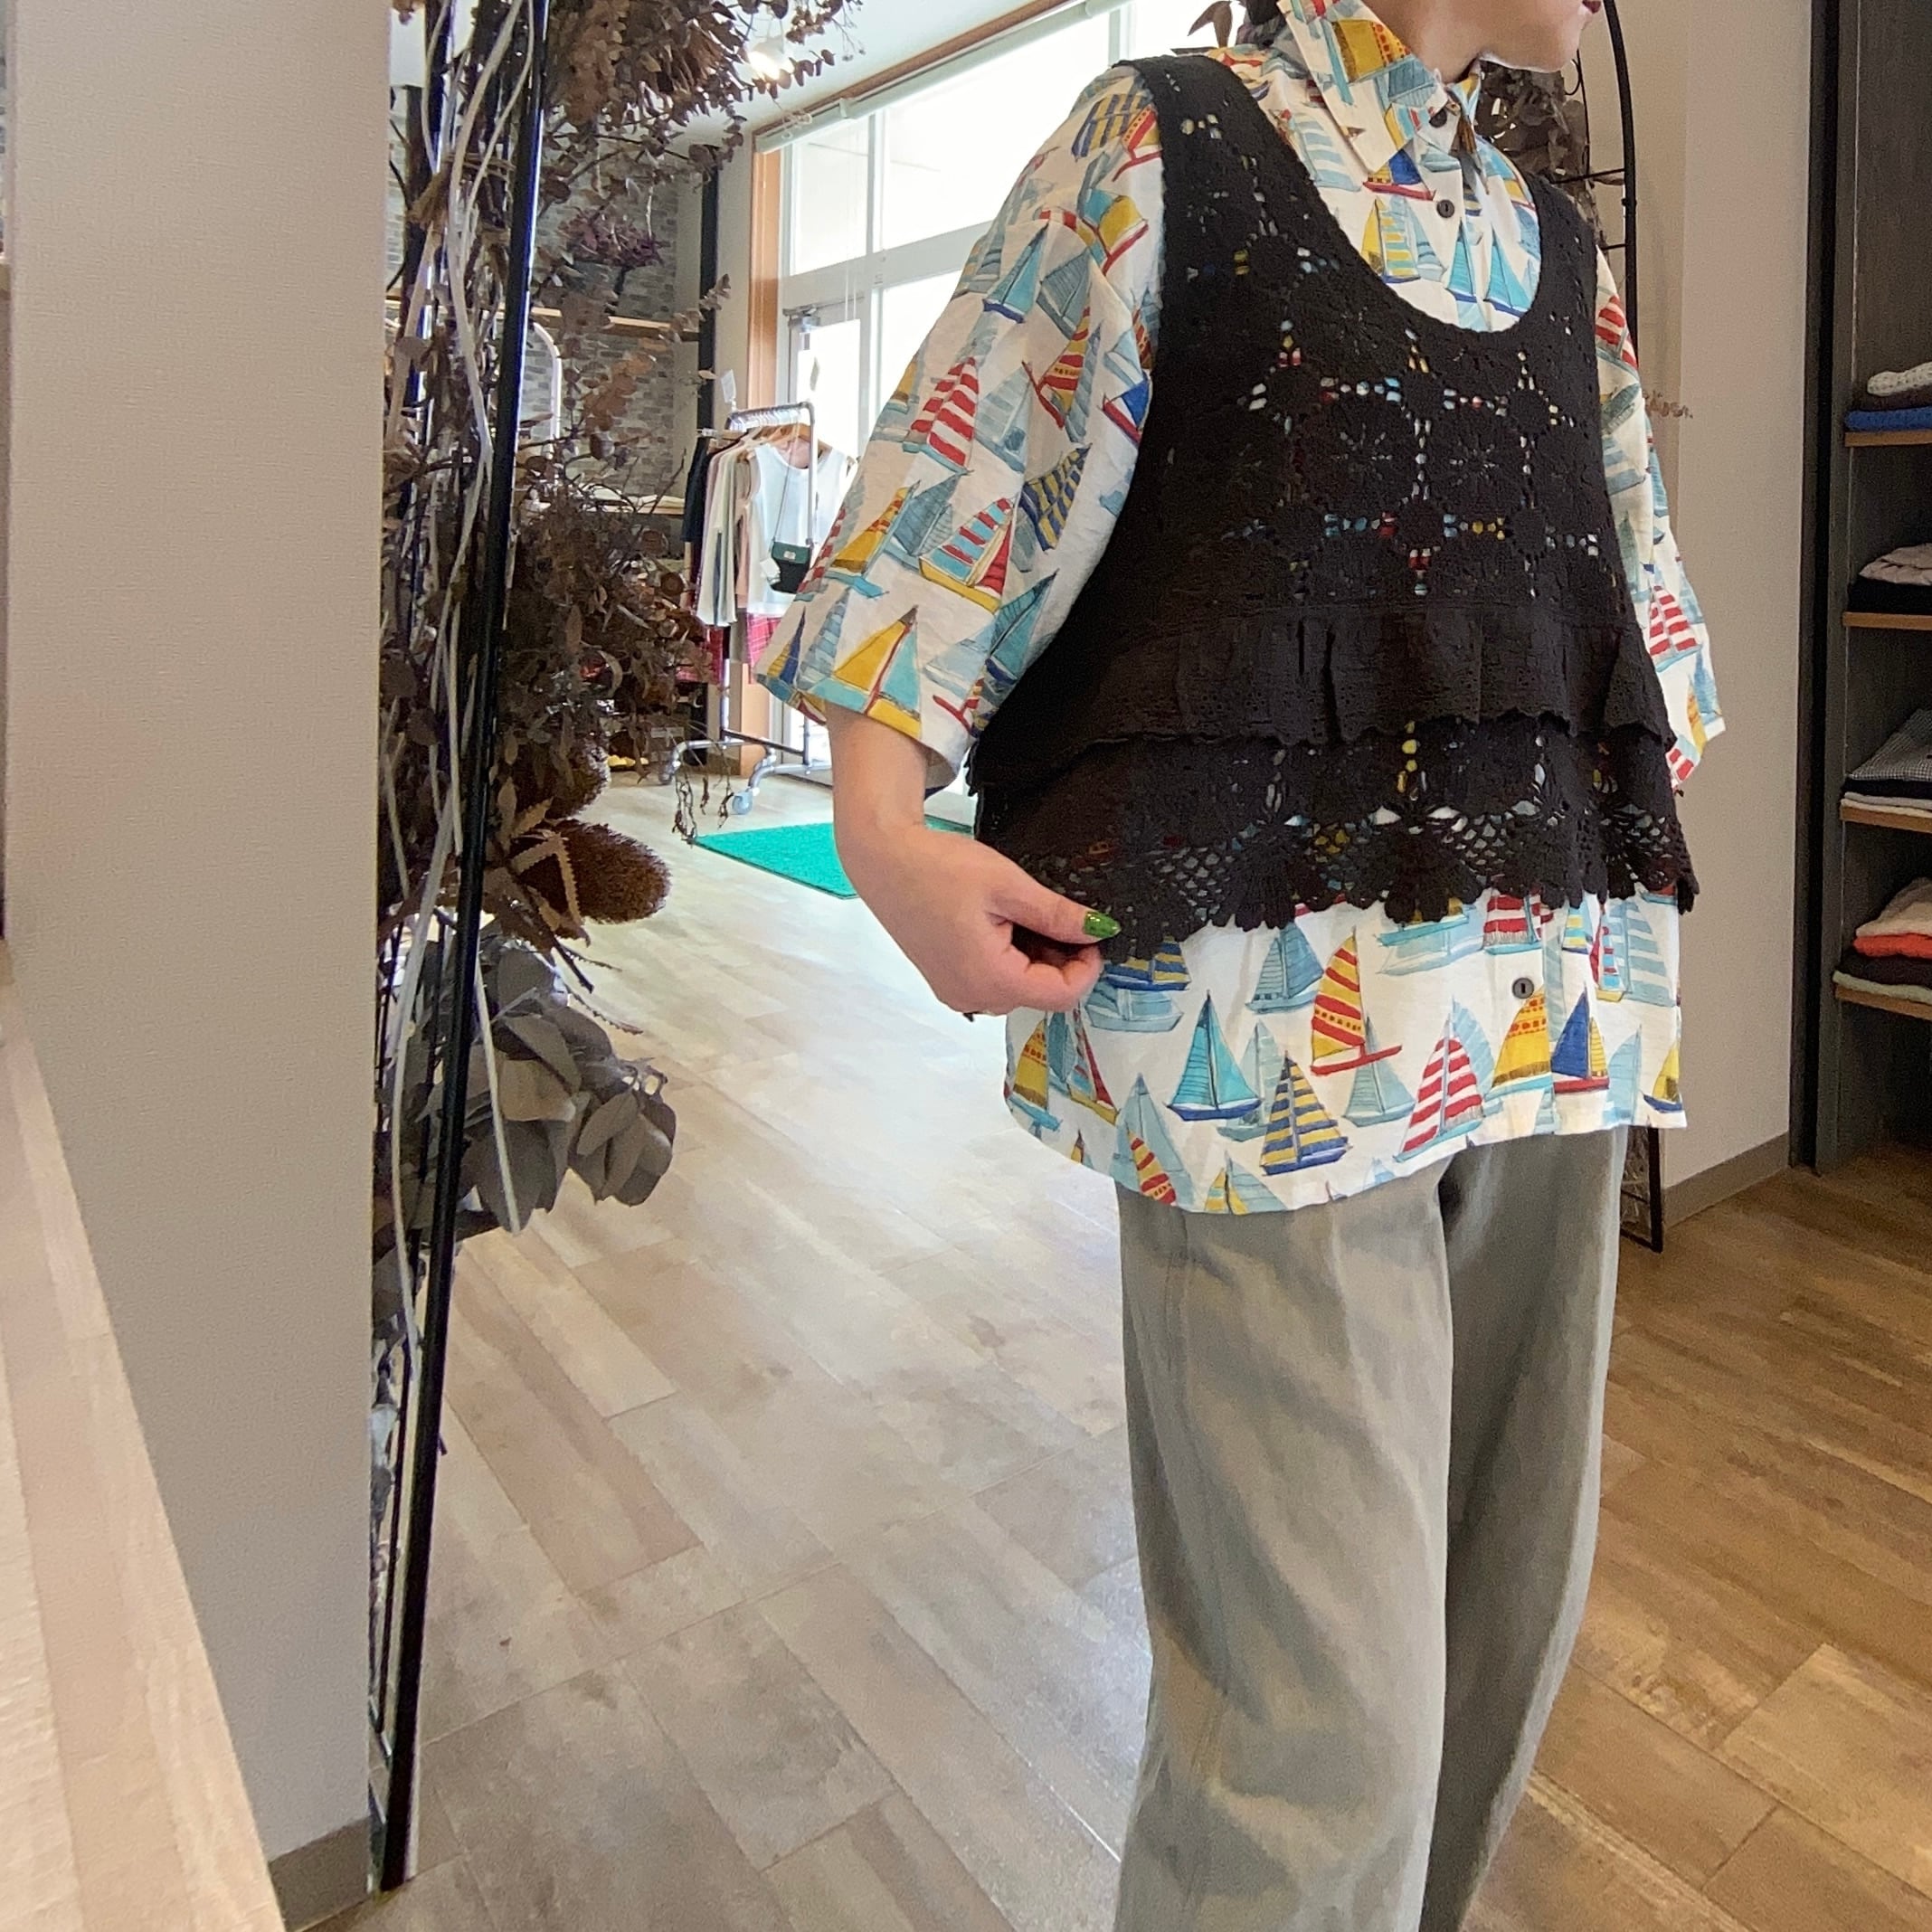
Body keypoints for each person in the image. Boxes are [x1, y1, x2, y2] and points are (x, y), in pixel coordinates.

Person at [755, 0, 1719, 1925]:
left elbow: (1646, 631)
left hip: (1553, 1014)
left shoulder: (1556, 249)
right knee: (1316, 1737)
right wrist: (879, 831)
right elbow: (963, 481)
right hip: (1266, 1055)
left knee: (1499, 1624)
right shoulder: (1165, 147)